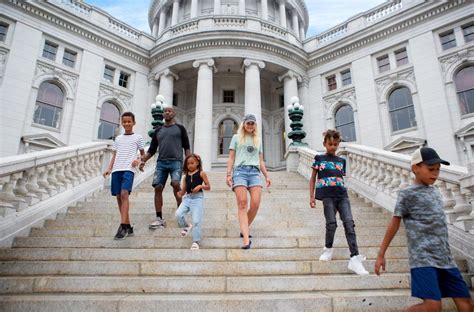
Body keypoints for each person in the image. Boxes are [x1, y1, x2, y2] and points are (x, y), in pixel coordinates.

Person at [375, 147, 473, 312]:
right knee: (432, 306)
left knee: (467, 304)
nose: (435, 173)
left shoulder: (436, 192)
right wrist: (381, 254)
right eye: (430, 169)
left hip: (446, 259)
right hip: (423, 259)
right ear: (415, 168)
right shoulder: (407, 194)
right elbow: (394, 223)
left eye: (437, 170)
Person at [309, 129, 368, 275]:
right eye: (330, 144)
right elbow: (312, 178)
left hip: (342, 196)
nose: (332, 147)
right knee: (331, 224)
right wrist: (311, 196)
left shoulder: (341, 161)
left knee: (349, 223)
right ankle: (328, 249)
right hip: (327, 196)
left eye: (335, 144)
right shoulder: (319, 159)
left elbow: (340, 178)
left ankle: (355, 258)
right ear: (324, 144)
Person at [140, 105, 191, 229]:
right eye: (165, 111)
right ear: (163, 115)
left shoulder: (180, 128)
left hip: (176, 162)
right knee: (158, 187)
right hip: (161, 163)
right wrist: (143, 161)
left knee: (175, 183)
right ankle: (159, 218)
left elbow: (187, 147)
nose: (167, 113)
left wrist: (189, 163)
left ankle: (180, 212)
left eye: (169, 111)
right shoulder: (158, 130)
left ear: (174, 114)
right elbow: (152, 149)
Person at [226, 114, 271, 249]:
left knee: (256, 204)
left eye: (252, 123)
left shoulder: (258, 140)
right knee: (242, 203)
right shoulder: (236, 138)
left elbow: (261, 160)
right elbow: (231, 157)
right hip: (239, 172)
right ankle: (246, 239)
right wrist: (229, 174)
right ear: (244, 124)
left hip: (254, 172)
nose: (250, 126)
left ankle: (243, 227)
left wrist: (267, 175)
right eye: (248, 123)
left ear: (255, 125)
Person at [103, 112, 145, 240]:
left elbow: (143, 154)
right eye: (124, 121)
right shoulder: (118, 139)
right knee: (118, 197)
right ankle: (128, 225)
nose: (127, 123)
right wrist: (109, 168)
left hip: (128, 169)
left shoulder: (138, 138)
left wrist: (138, 161)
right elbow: (115, 155)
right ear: (122, 123)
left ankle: (122, 226)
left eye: (129, 121)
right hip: (116, 170)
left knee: (124, 194)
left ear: (133, 123)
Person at [175, 153, 210, 250]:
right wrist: (180, 193)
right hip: (187, 198)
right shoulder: (185, 176)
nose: (190, 165)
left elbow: (208, 186)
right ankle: (187, 226)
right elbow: (184, 190)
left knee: (196, 220)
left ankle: (196, 241)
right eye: (188, 164)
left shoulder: (202, 173)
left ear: (197, 163)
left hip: (197, 198)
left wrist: (200, 186)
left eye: (192, 163)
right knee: (178, 214)